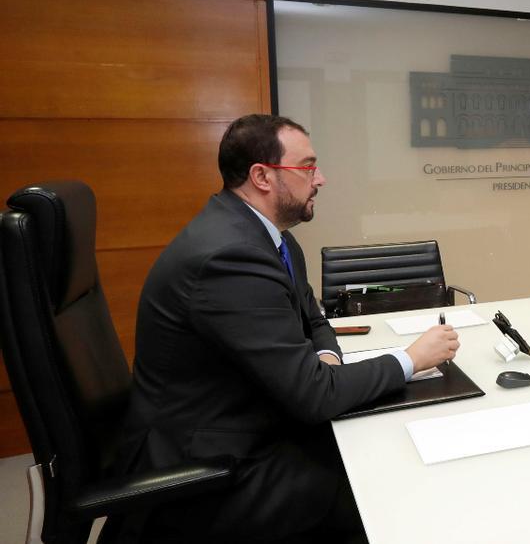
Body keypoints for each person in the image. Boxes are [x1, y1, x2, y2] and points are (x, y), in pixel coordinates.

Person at [116, 114, 460, 543]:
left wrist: (329, 358)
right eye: (308, 167)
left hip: (250, 416)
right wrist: (410, 358)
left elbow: (314, 318)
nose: (321, 179)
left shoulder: (270, 237)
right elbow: (315, 396)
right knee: (383, 486)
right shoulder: (230, 257)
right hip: (209, 469)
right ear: (262, 176)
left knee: (382, 443)